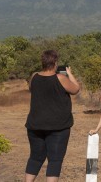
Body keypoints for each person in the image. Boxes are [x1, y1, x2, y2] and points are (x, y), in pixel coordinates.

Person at [24, 50, 80, 182]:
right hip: (58, 127)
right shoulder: (60, 78)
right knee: (54, 161)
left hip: (35, 126)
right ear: (55, 63)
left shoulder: (34, 77)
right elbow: (76, 89)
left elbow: (32, 89)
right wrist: (70, 74)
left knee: (35, 158)